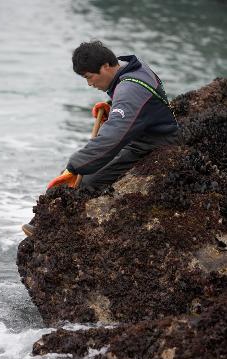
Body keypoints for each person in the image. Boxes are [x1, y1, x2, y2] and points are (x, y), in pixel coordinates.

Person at [22, 41, 179, 236]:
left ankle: (51, 230)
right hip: (144, 134)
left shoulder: (128, 90)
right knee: (75, 170)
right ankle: (42, 220)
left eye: (89, 77)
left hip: (153, 144)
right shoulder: (136, 69)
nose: (89, 84)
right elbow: (139, 106)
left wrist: (76, 164)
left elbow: (112, 138)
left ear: (106, 66)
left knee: (85, 179)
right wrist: (113, 106)